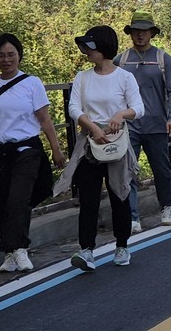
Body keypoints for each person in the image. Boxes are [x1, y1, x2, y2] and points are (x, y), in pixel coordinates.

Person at [0, 33, 67, 274]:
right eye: (1, 55)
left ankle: (20, 248)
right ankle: (9, 253)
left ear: (19, 56)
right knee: (1, 202)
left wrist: (56, 149)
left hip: (26, 148)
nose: (7, 59)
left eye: (11, 54)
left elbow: (44, 119)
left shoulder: (32, 83)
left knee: (18, 199)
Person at [54, 26, 144, 271]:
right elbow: (74, 108)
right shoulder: (83, 77)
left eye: (89, 47)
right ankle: (86, 250)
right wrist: (92, 127)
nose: (86, 52)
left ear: (102, 47)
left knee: (119, 193)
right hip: (90, 143)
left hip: (116, 142)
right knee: (88, 197)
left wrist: (120, 114)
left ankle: (122, 245)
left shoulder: (125, 77)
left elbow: (138, 107)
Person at [114, 11, 171, 234]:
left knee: (161, 169)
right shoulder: (121, 60)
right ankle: (132, 216)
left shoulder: (162, 58)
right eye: (136, 31)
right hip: (129, 125)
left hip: (156, 124)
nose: (140, 35)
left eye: (144, 31)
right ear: (130, 33)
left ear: (152, 33)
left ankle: (167, 207)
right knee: (127, 170)